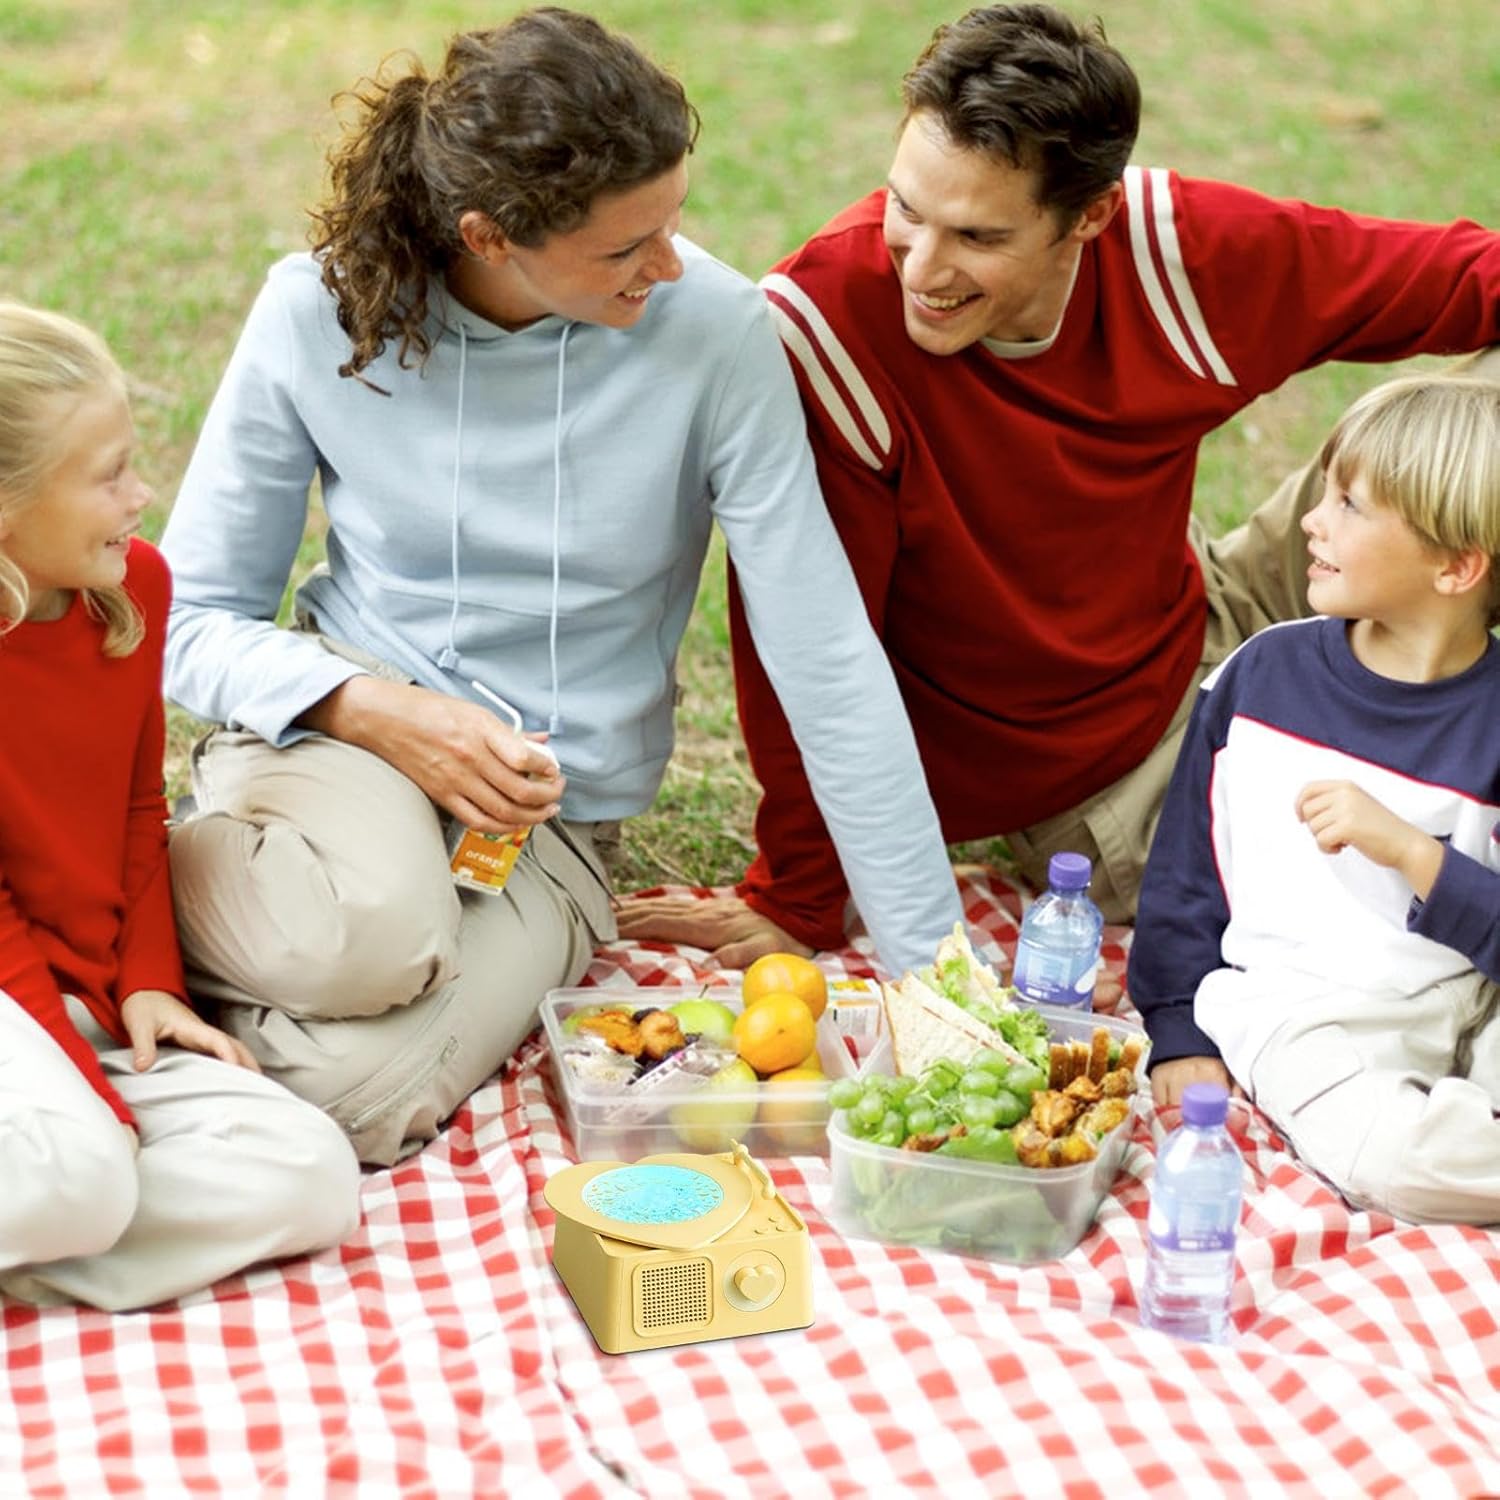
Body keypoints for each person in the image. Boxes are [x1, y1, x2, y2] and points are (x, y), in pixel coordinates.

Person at [161, 8, 961, 1166]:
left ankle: (198, 982)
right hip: (346, 739)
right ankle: (122, 899)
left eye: (673, 221)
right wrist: (371, 708)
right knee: (371, 937)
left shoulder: (718, 336)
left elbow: (825, 652)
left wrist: (935, 974)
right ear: (489, 235)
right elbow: (188, 619)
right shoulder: (317, 311)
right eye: (626, 247)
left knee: (361, 1100)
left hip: (546, 823)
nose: (670, 264)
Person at [615, 2, 1500, 970]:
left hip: (1211, 612)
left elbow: (1467, 277)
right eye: (906, 208)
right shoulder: (827, 334)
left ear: (1091, 216)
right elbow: (809, 648)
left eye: (979, 237)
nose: (922, 265)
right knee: (1376, 907)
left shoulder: (1184, 255)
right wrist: (800, 894)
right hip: (1093, 779)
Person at [0, 303, 360, 1311]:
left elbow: (133, 810)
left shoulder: (135, 591)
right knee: (84, 1168)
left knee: (310, 1174)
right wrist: (77, 1077)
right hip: (14, 993)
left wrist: (150, 982)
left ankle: (48, 1226)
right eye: (109, 474)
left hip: (79, 998)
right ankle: (69, 1188)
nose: (142, 495)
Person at [1128, 374, 1500, 1224]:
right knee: (1400, 1165)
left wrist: (1416, 854)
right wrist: (1178, 1029)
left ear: (1456, 566)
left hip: (1470, 996)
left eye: (1350, 505)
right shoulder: (1262, 678)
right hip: (1305, 1012)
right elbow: (1185, 879)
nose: (1311, 520)